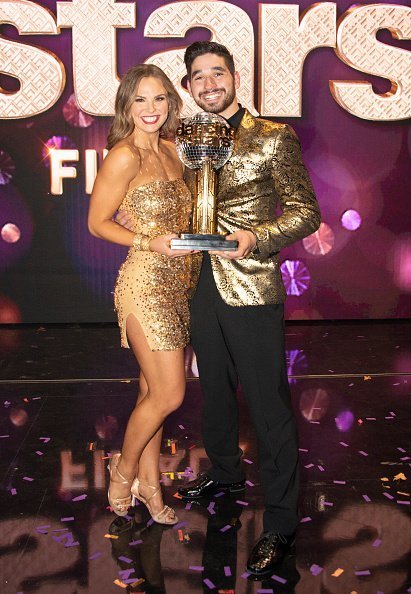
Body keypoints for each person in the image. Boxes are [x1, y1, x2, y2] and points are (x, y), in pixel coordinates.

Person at [176, 41, 321, 576]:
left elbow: (306, 212)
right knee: (214, 385)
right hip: (198, 282)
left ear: (236, 78)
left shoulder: (272, 137)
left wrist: (255, 238)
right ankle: (225, 470)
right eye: (198, 76)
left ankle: (281, 523)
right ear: (188, 86)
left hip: (253, 284)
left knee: (267, 404)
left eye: (218, 72)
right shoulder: (182, 137)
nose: (209, 83)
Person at [88, 64, 195, 525]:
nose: (151, 109)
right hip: (145, 284)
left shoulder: (173, 150)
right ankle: (123, 468)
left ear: (171, 102)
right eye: (141, 100)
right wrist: (146, 240)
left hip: (181, 283)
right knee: (170, 394)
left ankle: (150, 488)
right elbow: (97, 222)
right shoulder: (123, 155)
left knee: (151, 394)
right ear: (126, 106)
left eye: (159, 99)